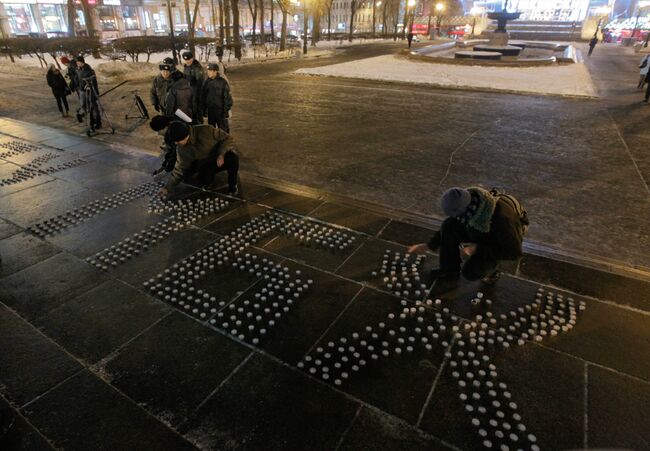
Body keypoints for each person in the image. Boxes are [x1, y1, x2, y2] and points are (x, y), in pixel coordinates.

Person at [408, 187, 527, 284]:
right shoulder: (469, 202)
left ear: (463, 211)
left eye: (456, 214)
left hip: (498, 239)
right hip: (481, 228)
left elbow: (514, 253)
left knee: (471, 272)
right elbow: (453, 223)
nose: (456, 217)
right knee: (449, 225)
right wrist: (429, 245)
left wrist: (478, 249)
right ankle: (449, 269)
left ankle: (493, 271)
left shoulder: (502, 219)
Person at [157, 121, 240, 198]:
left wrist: (221, 154)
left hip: (219, 157)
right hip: (206, 164)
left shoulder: (206, 130)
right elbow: (179, 169)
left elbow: (227, 138)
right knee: (199, 179)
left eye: (178, 141)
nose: (176, 143)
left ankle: (233, 184)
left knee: (233, 159)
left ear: (186, 136)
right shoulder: (181, 149)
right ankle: (207, 180)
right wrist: (167, 188)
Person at [201, 62, 233, 132]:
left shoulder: (222, 82)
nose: (208, 73)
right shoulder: (207, 82)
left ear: (215, 71)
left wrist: (225, 112)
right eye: (208, 71)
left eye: (210, 71)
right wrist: (204, 110)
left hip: (220, 111)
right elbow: (203, 96)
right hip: (211, 111)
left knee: (223, 131)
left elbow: (227, 98)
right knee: (211, 130)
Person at [75, 56, 102, 130]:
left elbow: (94, 82)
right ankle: (90, 119)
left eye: (78, 62)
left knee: (94, 107)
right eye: (76, 63)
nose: (77, 64)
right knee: (83, 105)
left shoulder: (89, 70)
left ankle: (98, 122)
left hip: (90, 91)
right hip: (81, 91)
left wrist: (95, 93)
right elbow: (77, 78)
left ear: (82, 62)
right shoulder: (78, 70)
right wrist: (76, 85)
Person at [182, 51, 205, 123]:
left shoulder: (197, 67)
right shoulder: (186, 67)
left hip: (196, 94)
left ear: (192, 58)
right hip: (188, 93)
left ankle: (200, 127)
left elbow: (200, 82)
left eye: (188, 59)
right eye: (186, 60)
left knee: (197, 112)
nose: (187, 61)